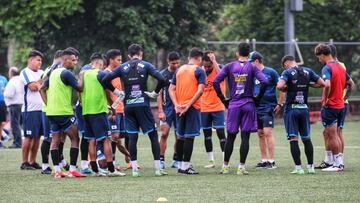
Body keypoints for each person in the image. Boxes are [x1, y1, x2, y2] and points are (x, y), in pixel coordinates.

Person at [102, 44, 167, 177]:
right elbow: (161, 79)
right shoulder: (146, 65)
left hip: (129, 106)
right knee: (153, 136)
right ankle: (157, 169)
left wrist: (117, 92)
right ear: (140, 54)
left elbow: (105, 80)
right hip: (143, 105)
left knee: (132, 137)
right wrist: (154, 93)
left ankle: (134, 170)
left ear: (129, 55)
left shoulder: (122, 67)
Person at [213, 42, 268, 175]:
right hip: (248, 104)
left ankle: (225, 167)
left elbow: (215, 81)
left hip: (234, 105)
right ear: (249, 55)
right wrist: (257, 98)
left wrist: (223, 99)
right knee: (245, 137)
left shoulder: (229, 66)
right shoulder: (252, 67)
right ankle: (241, 168)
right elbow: (265, 81)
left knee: (231, 136)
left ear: (237, 53)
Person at [41, 49, 86, 178]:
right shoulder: (66, 73)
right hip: (64, 112)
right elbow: (79, 87)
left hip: (51, 112)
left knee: (55, 140)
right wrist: (81, 76)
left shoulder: (53, 73)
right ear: (65, 60)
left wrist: (49, 105)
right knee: (75, 138)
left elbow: (41, 89)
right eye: (73, 60)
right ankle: (72, 169)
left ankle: (57, 171)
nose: (75, 63)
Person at [277, 55, 325, 175]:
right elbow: (322, 84)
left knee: (293, 139)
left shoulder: (288, 72)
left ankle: (298, 168)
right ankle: (311, 167)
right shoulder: (308, 71)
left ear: (287, 63)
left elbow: (279, 86)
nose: (284, 68)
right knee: (306, 139)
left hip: (292, 109)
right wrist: (309, 84)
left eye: (284, 66)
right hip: (304, 108)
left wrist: (287, 88)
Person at [80, 52, 125, 177]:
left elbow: (79, 89)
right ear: (101, 63)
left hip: (86, 111)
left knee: (91, 140)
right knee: (106, 139)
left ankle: (95, 170)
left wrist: (83, 104)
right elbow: (108, 89)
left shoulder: (83, 74)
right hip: (99, 111)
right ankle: (111, 169)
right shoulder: (101, 73)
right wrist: (117, 93)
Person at [314, 44, 355, 172]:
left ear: (322, 54)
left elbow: (326, 85)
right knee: (331, 133)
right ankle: (332, 162)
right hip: (340, 105)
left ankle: (338, 165)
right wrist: (344, 97)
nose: (318, 59)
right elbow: (351, 84)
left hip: (330, 106)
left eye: (318, 57)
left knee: (332, 135)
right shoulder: (340, 66)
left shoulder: (327, 68)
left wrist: (325, 100)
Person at [169, 47, 206, 175]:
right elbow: (200, 90)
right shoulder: (199, 70)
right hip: (192, 108)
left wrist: (176, 105)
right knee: (189, 137)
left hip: (179, 108)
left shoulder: (179, 69)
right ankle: (185, 167)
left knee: (180, 137)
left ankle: (180, 165)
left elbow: (171, 89)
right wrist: (188, 105)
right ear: (198, 58)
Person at [248, 51, 283, 169]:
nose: (250, 64)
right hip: (255, 107)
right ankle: (264, 160)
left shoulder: (271, 72)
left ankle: (272, 161)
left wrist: (280, 103)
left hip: (268, 107)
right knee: (260, 133)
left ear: (257, 61)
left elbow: (282, 87)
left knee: (268, 132)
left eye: (251, 62)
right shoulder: (251, 74)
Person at [103, 49, 131, 170]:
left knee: (118, 137)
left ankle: (128, 159)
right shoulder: (106, 73)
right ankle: (111, 163)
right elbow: (107, 92)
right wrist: (112, 109)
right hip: (113, 110)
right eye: (118, 60)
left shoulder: (117, 73)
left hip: (120, 109)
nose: (121, 62)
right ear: (111, 60)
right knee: (113, 136)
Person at [200, 51, 226, 168]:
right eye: (204, 66)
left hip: (218, 106)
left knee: (221, 133)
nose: (206, 68)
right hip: (204, 107)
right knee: (207, 135)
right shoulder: (200, 71)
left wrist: (214, 61)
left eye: (208, 66)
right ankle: (211, 161)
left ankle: (226, 161)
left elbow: (222, 75)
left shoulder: (219, 68)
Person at [19, 50, 44, 170]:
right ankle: (24, 162)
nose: (40, 63)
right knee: (28, 136)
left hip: (42, 110)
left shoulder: (42, 72)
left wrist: (41, 81)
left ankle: (32, 161)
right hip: (30, 111)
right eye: (38, 60)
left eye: (41, 61)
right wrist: (43, 81)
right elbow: (33, 87)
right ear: (30, 60)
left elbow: (45, 86)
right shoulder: (25, 72)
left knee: (38, 136)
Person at [40, 50, 63, 174]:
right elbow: (41, 85)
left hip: (57, 109)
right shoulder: (49, 69)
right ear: (60, 58)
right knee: (48, 138)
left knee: (58, 138)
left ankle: (60, 162)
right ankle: (44, 165)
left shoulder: (58, 70)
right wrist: (48, 104)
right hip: (48, 109)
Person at [157, 51, 181, 169]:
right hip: (167, 109)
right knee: (164, 133)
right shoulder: (163, 74)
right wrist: (160, 111)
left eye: (177, 63)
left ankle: (176, 159)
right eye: (173, 63)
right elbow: (159, 93)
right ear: (168, 62)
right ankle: (161, 159)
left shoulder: (181, 73)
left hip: (179, 108)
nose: (175, 65)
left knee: (179, 135)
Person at [4, 67, 23, 149]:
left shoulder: (12, 81)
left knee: (15, 125)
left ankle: (17, 142)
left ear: (11, 73)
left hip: (14, 105)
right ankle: (18, 142)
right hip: (21, 104)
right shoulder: (21, 80)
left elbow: (10, 94)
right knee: (18, 124)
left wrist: (4, 91)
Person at [0, 72, 8, 149]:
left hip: (2, 102)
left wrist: (5, 90)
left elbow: (7, 89)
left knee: (2, 123)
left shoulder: (3, 78)